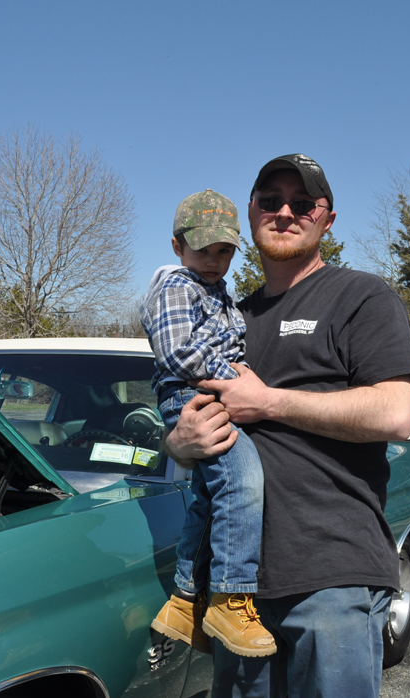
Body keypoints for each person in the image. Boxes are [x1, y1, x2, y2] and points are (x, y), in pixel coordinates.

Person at [166, 154, 410, 698]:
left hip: (330, 577)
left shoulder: (360, 297)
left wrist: (269, 402)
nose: (285, 212)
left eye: (303, 203)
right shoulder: (228, 317)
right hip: (236, 594)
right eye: (270, 200)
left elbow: (397, 414)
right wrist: (180, 444)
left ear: (326, 219)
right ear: (251, 215)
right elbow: (188, 422)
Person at [142, 189, 276, 657]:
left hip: (207, 393)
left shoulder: (217, 293)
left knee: (209, 496)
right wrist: (236, 380)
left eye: (225, 252)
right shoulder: (176, 286)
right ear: (178, 245)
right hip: (192, 397)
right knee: (244, 481)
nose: (214, 261)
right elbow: (178, 351)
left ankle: (183, 601)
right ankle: (229, 597)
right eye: (203, 249)